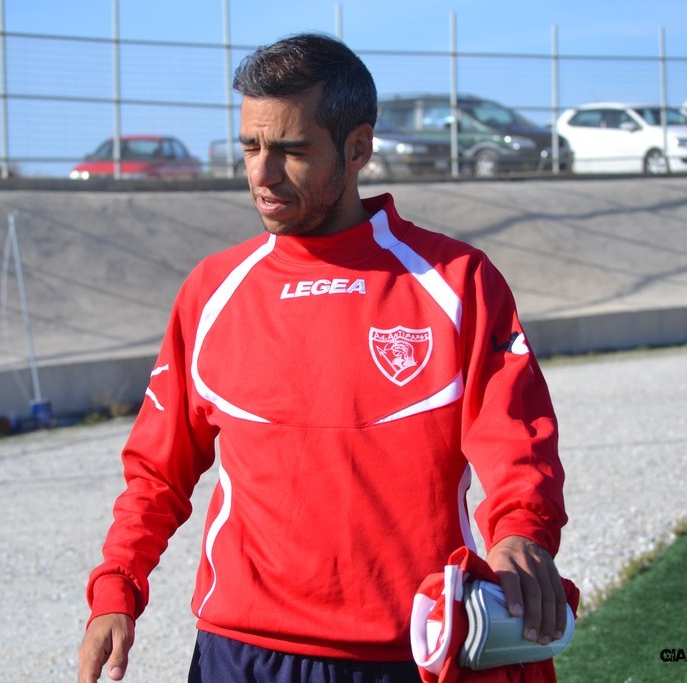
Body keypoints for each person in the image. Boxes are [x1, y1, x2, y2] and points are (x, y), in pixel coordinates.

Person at [78, 32, 569, 683]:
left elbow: (517, 442)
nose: (262, 173)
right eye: (251, 147)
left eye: (291, 150)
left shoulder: (456, 281)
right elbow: (156, 470)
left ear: (357, 148)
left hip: (406, 652)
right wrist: (118, 584)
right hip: (239, 652)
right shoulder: (211, 291)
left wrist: (520, 533)